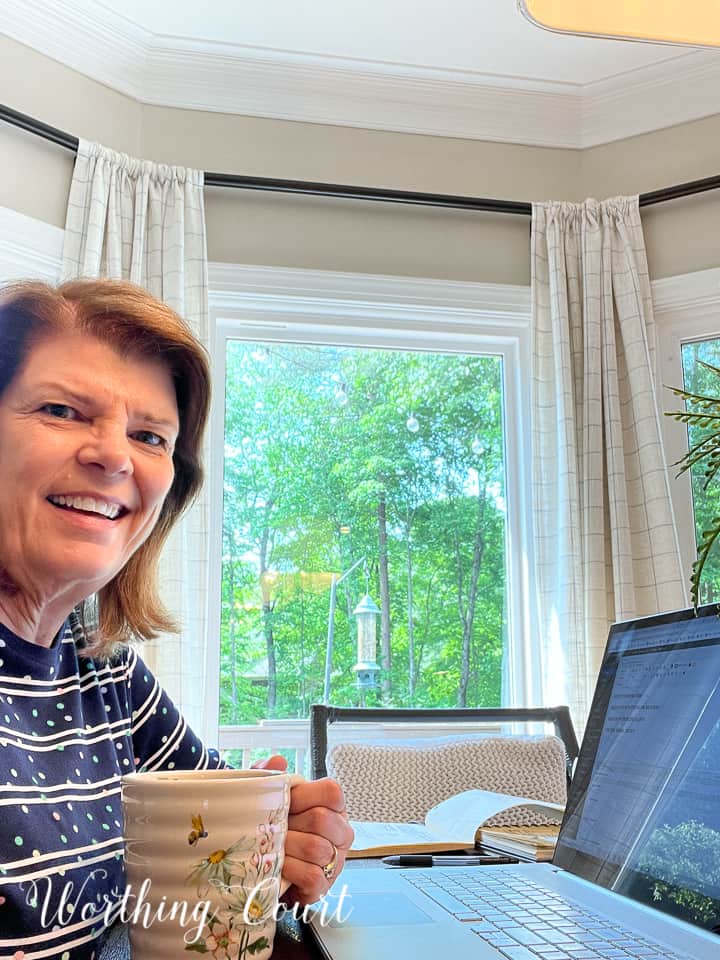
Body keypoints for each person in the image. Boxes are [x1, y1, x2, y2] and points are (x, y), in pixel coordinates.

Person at [0, 278, 354, 959]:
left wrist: (294, 836)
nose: (114, 455)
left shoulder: (103, 670)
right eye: (62, 410)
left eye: (149, 435)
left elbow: (217, 839)